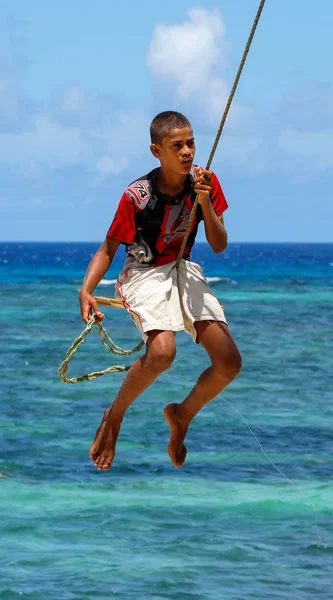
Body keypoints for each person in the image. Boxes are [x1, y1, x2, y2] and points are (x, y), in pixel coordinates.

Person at [79, 110, 242, 471]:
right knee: (163, 353)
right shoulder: (137, 195)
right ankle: (115, 416)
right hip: (144, 273)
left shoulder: (206, 183)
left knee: (229, 363)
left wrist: (204, 204)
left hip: (183, 269)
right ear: (157, 151)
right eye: (177, 145)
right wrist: (86, 290)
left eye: (191, 143)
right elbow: (108, 249)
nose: (187, 152)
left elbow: (219, 244)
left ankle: (181, 415)